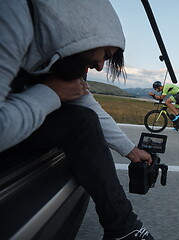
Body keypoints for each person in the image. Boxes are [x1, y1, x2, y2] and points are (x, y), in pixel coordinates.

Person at [0, 1, 154, 239]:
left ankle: (125, 229)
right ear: (84, 31)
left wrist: (131, 150)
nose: (100, 67)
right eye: (104, 54)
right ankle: (124, 230)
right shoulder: (13, 14)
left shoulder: (62, 57)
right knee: (80, 121)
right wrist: (50, 93)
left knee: (83, 119)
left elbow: (86, 105)